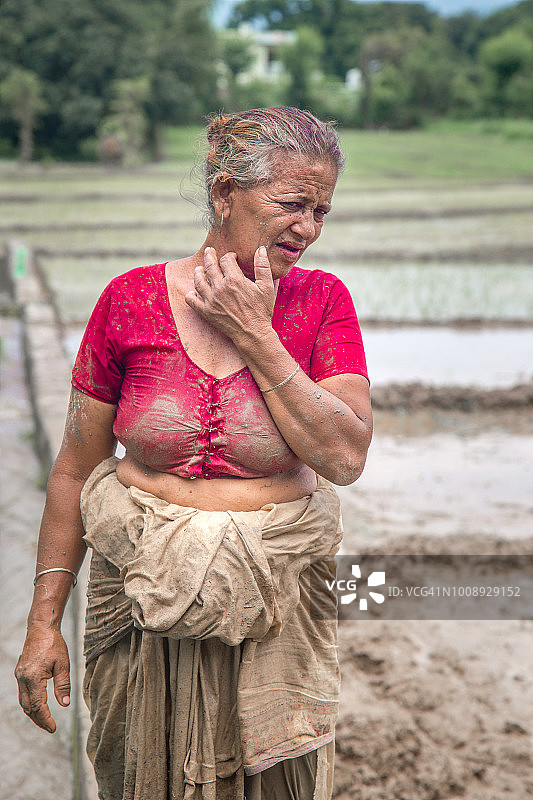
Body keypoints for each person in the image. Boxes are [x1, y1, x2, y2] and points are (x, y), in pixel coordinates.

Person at [15, 107, 372, 799]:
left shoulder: (321, 302)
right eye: (291, 203)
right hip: (142, 607)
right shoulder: (129, 301)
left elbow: (344, 457)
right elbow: (74, 470)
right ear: (222, 194)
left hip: (273, 608)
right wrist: (41, 626)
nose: (308, 227)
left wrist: (256, 335)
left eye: (322, 210)